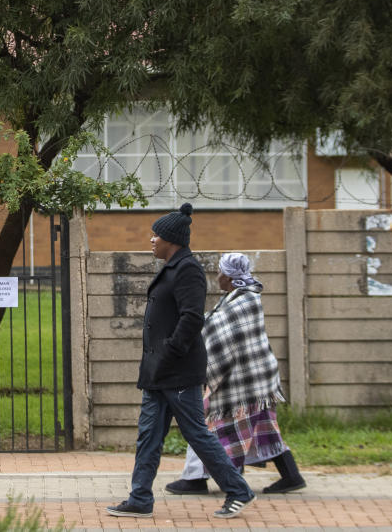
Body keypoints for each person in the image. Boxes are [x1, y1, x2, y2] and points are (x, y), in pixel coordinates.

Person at [106, 204, 257, 520]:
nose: (151, 240)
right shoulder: (173, 267)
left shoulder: (188, 269)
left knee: (197, 435)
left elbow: (191, 319)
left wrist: (168, 353)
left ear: (171, 239)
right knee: (149, 435)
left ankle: (239, 490)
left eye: (156, 234)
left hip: (178, 370)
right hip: (157, 373)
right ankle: (140, 498)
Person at [165, 252, 307, 495]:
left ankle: (196, 479)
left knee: (205, 424)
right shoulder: (242, 296)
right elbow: (219, 325)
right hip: (255, 381)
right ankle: (291, 475)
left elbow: (220, 333)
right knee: (265, 427)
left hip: (245, 384)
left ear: (229, 277)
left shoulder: (244, 301)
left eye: (220, 272)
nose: (217, 276)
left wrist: (190, 325)